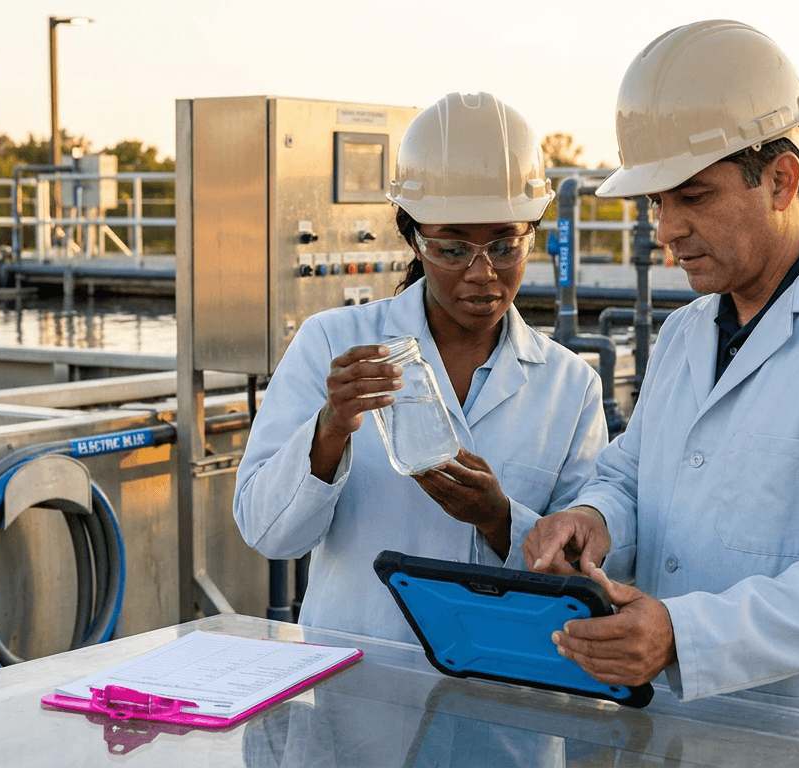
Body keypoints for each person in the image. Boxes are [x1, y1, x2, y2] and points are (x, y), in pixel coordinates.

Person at [523, 20, 799, 729]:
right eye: (655, 202)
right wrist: (593, 517)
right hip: (679, 725)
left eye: (692, 196)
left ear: (782, 180)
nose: (666, 228)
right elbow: (632, 475)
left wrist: (685, 635)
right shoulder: (686, 334)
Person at [234, 92, 608, 644]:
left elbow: (588, 580)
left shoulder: (570, 386)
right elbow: (268, 533)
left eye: (506, 245)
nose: (483, 274)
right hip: (355, 689)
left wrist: (501, 520)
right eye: (453, 249)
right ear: (413, 236)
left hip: (504, 699)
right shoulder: (333, 343)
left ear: (533, 233)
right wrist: (330, 428)